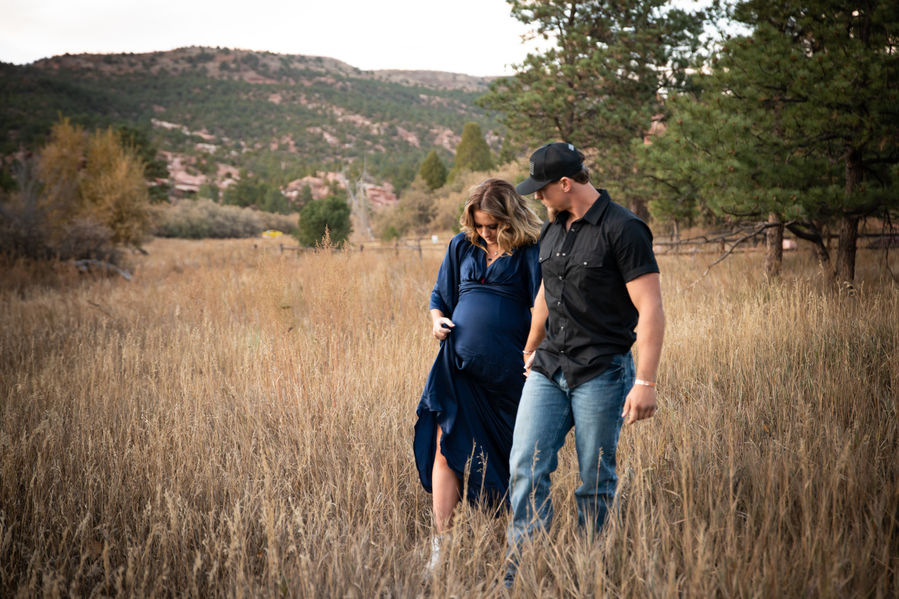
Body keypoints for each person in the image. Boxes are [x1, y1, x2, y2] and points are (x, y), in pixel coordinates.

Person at [504, 142, 665, 585]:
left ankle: (590, 574)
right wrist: (530, 349)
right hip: (549, 368)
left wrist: (646, 382)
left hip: (601, 371)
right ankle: (520, 576)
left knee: (595, 480)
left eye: (541, 188)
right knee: (525, 466)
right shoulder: (552, 229)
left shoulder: (624, 229)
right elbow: (545, 294)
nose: (537, 196)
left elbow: (651, 308)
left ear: (565, 183)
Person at [413, 178, 542, 571]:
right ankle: (441, 548)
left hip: (508, 374)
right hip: (457, 367)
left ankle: (514, 543)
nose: (485, 232)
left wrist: (535, 350)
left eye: (493, 225)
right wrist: (437, 321)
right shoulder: (461, 245)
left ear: (511, 218)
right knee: (446, 446)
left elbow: (544, 305)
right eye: (479, 224)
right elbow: (440, 297)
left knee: (512, 456)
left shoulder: (529, 250)